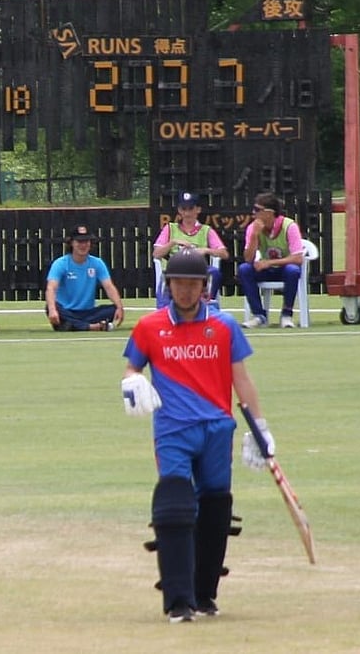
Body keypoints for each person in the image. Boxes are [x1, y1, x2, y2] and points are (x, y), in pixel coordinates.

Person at [120, 250, 272, 623]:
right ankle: (178, 601)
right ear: (168, 285)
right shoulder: (149, 327)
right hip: (173, 429)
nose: (185, 291)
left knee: (215, 510)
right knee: (174, 509)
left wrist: (259, 427)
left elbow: (242, 378)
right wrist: (132, 384)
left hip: (218, 429)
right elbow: (130, 369)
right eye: (178, 283)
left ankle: (204, 594)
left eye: (192, 284)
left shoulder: (224, 326)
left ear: (205, 287)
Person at [237, 191, 306, 329]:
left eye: (257, 210)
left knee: (293, 271)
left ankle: (286, 315)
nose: (253, 213)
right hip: (265, 269)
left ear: (269, 212)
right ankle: (259, 316)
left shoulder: (289, 226)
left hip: (283, 268)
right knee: (244, 269)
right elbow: (248, 258)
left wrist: (269, 262)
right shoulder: (253, 228)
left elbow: (298, 258)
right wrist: (254, 236)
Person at [152, 191, 229, 308]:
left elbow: (224, 253)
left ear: (198, 210)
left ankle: (206, 304)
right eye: (184, 209)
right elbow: (156, 254)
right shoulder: (170, 228)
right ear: (179, 210)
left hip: (197, 270)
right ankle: (164, 311)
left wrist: (206, 250)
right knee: (165, 277)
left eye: (190, 208)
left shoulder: (206, 230)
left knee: (213, 272)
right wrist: (173, 242)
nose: (187, 213)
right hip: (174, 270)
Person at [44, 224, 125, 331]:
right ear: (72, 243)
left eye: (86, 241)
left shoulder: (97, 263)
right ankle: (91, 326)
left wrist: (119, 307)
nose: (83, 245)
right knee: (51, 308)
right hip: (67, 310)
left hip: (88, 312)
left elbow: (109, 286)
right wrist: (52, 310)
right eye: (79, 242)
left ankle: (73, 325)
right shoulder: (61, 263)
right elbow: (51, 288)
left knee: (112, 309)